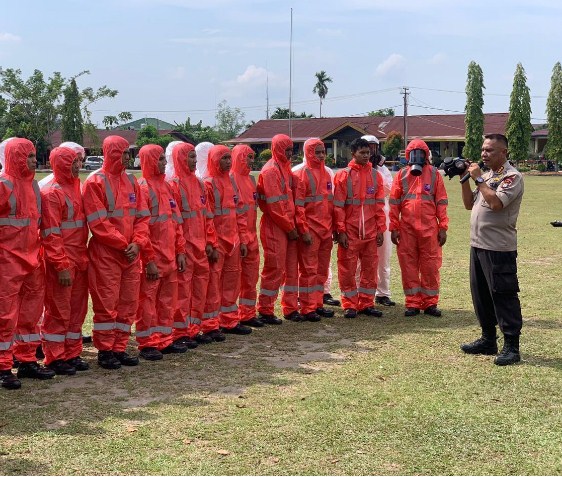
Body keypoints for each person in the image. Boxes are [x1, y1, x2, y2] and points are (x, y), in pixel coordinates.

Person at [82, 135, 151, 370]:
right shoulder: (95, 182)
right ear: (112, 153)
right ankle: (105, 350)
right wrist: (124, 245)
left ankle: (119, 347)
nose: (128, 157)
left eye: (129, 153)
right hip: (107, 254)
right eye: (123, 153)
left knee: (128, 303)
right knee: (106, 304)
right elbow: (98, 223)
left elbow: (142, 217)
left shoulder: (132, 181)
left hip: (130, 254)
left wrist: (137, 243)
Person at [460, 134, 524, 366]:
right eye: (483, 150)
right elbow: (469, 205)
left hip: (499, 248)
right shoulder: (486, 176)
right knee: (481, 295)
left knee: (503, 295)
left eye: (490, 150)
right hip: (478, 244)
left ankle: (511, 347)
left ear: (503, 152)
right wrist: (464, 179)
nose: (484, 154)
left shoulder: (512, 177)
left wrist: (478, 180)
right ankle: (488, 340)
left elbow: (496, 204)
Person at [0, 138, 55, 390]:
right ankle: (2, 366)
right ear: (17, 157)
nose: (35, 160)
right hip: (7, 261)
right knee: (5, 315)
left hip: (32, 259)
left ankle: (26, 359)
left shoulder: (33, 187)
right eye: (31, 156)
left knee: (31, 314)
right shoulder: (3, 185)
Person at [40, 145, 90, 375]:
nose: (78, 166)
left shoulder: (76, 188)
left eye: (79, 162)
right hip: (62, 262)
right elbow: (51, 234)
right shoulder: (52, 193)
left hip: (79, 259)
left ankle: (72, 353)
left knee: (77, 311)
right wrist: (60, 265)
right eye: (73, 163)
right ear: (61, 164)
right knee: (58, 311)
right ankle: (55, 356)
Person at [135, 144, 188, 361]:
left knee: (167, 300)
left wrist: (180, 251)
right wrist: (148, 259)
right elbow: (141, 227)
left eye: (164, 159)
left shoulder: (166, 187)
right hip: (154, 256)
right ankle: (148, 342)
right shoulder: (143, 188)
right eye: (159, 159)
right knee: (148, 302)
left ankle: (165, 340)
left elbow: (176, 222)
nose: (164, 163)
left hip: (169, 255)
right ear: (148, 161)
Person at [166, 141, 218, 346]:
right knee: (182, 292)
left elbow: (207, 217)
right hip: (186, 247)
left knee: (199, 290)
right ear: (180, 158)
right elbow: (176, 222)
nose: (194, 161)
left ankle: (194, 329)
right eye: (190, 157)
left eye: (195, 157)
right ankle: (180, 332)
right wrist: (180, 248)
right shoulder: (174, 186)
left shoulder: (199, 184)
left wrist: (210, 242)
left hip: (200, 246)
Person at [389, 139, 448, 317]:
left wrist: (443, 226)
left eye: (420, 153)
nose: (417, 156)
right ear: (408, 155)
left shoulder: (434, 174)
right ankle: (412, 303)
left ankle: (430, 303)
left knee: (430, 266)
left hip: (430, 228)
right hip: (407, 228)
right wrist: (394, 227)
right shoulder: (401, 175)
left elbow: (441, 202)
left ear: (426, 154)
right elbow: (394, 202)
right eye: (414, 153)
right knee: (408, 266)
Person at [334, 137, 386, 319]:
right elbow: (338, 206)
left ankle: (366, 303)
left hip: (370, 232)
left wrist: (380, 229)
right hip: (350, 232)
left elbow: (379, 206)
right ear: (353, 153)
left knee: (370, 268)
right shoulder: (343, 175)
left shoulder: (375, 176)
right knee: (347, 269)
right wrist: (340, 231)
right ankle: (349, 304)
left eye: (368, 153)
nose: (366, 156)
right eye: (362, 153)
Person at [204, 145, 251, 337]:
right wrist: (212, 243)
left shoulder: (230, 182)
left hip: (232, 240)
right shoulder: (208, 184)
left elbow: (238, 213)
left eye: (229, 158)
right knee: (213, 285)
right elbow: (207, 218)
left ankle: (229, 320)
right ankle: (210, 324)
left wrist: (242, 239)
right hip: (218, 242)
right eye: (223, 158)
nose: (228, 162)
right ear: (214, 160)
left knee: (232, 282)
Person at [256, 134, 300, 323]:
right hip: (276, 225)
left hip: (287, 225)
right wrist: (290, 227)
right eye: (286, 149)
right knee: (274, 268)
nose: (290, 153)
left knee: (290, 269)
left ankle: (290, 307)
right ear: (278, 149)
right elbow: (274, 206)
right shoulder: (270, 171)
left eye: (291, 149)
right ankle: (265, 309)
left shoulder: (284, 168)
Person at [292, 145, 340, 308]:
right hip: (311, 230)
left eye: (323, 152)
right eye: (317, 152)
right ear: (308, 153)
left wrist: (334, 228)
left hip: (326, 230)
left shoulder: (327, 173)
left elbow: (331, 203)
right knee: (309, 270)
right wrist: (303, 230)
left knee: (321, 271)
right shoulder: (300, 174)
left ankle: (317, 303)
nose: (321, 156)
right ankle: (307, 306)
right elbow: (298, 207)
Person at [361, 135, 396, 307]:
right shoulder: (353, 170)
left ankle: (382, 292)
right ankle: (361, 292)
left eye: (373, 147)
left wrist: (375, 173)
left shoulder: (383, 171)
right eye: (366, 148)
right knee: (362, 259)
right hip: (362, 219)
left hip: (383, 216)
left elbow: (388, 189)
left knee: (384, 257)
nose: (370, 152)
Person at [231, 144, 263, 327]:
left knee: (251, 277)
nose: (251, 161)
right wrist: (241, 238)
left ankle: (248, 313)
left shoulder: (251, 179)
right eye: (248, 157)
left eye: (252, 157)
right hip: (237, 238)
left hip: (251, 235)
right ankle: (230, 316)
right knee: (234, 280)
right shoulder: (230, 180)